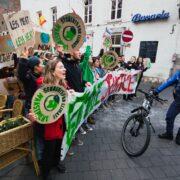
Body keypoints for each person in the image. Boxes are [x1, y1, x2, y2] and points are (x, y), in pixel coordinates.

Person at [29, 59, 67, 180]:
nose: (64, 69)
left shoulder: (62, 85)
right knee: (48, 151)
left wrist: (69, 93)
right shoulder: (42, 87)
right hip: (48, 126)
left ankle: (56, 163)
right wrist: (33, 116)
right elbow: (35, 108)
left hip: (60, 122)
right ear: (52, 71)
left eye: (64, 67)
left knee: (58, 146)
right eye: (61, 67)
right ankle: (45, 173)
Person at [153, 70, 180, 145]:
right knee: (169, 116)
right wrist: (157, 90)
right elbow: (169, 82)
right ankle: (169, 134)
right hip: (178, 101)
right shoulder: (179, 73)